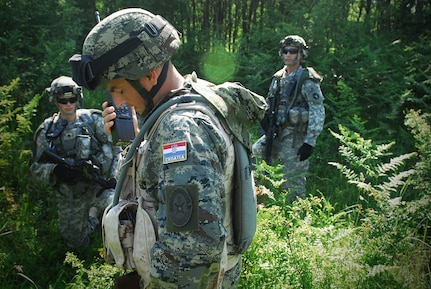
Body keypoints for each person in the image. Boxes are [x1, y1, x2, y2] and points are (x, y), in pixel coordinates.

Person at [69, 7, 259, 289]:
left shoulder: (179, 131)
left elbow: (191, 253)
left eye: (119, 89)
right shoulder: (194, 100)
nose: (117, 103)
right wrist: (137, 139)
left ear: (149, 74)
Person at [31, 76, 121, 248]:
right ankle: (93, 214)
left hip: (99, 187)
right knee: (77, 242)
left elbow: (117, 147)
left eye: (72, 99)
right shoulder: (47, 130)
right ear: (55, 101)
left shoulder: (92, 120)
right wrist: (54, 170)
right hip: (71, 193)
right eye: (63, 100)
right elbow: (35, 167)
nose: (68, 105)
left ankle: (102, 216)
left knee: (121, 213)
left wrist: (114, 179)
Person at [253, 35, 325, 202]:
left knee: (293, 180)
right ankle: (257, 200)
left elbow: (317, 110)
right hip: (275, 132)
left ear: (301, 54)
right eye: (285, 51)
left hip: (295, 137)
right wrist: (264, 119)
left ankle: (297, 216)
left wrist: (309, 142)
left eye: (292, 51)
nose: (288, 55)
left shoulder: (306, 79)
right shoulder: (278, 77)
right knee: (252, 159)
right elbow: (270, 102)